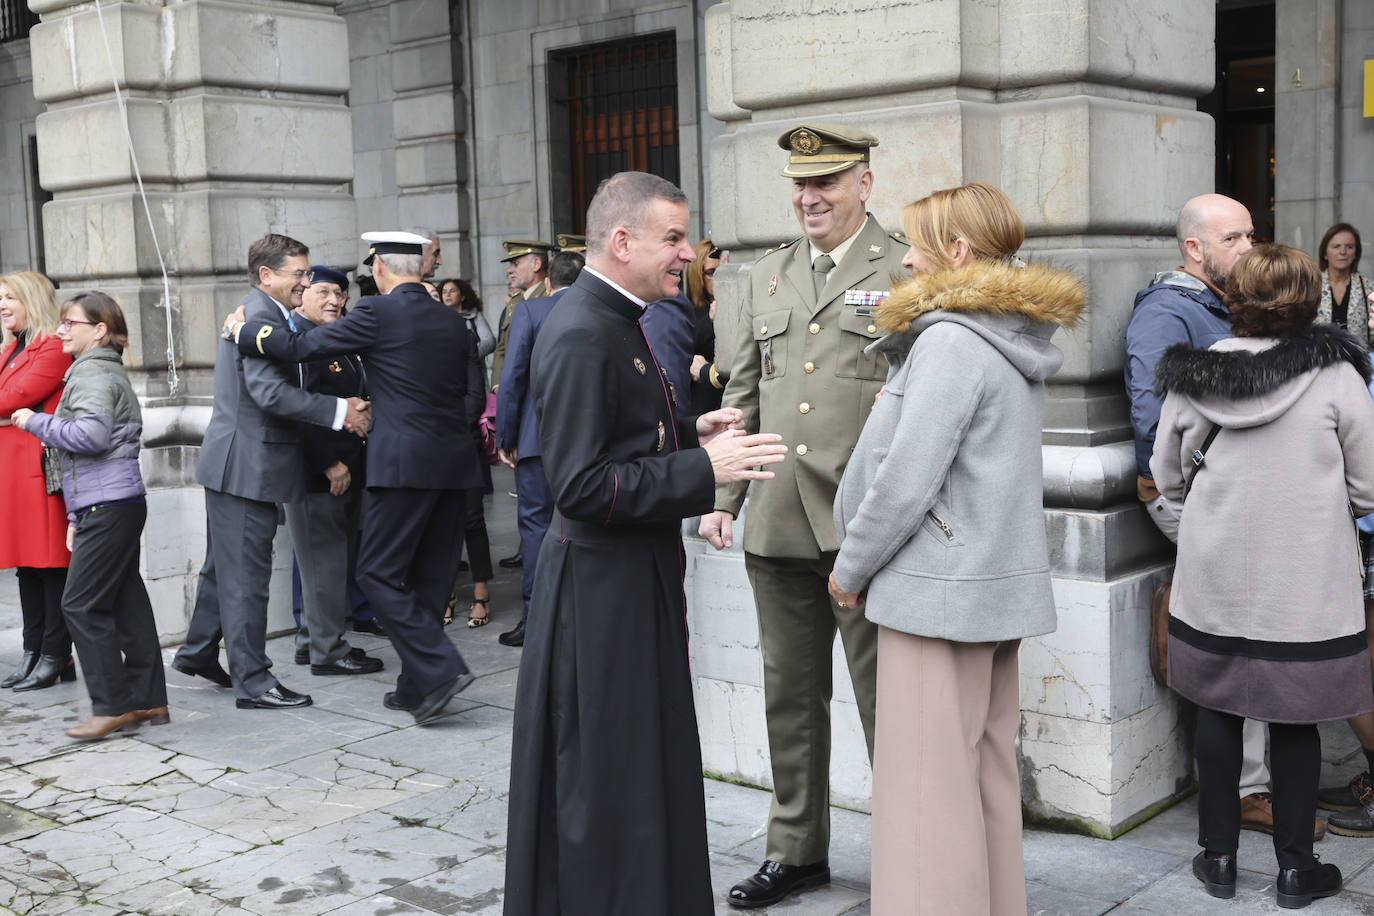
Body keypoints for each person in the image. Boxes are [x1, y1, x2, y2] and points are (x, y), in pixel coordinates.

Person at [502, 171, 788, 916]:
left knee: (641, 769)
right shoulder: (580, 330)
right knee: (609, 780)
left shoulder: (616, 318)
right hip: (600, 596)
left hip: (629, 583)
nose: (688, 254)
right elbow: (581, 486)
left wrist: (688, 435)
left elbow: (613, 438)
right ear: (622, 241)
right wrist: (703, 470)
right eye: (673, 239)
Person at [829, 182, 1082, 914]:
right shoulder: (1007, 334)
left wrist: (851, 569)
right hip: (983, 588)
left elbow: (906, 479)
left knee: (924, 794)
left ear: (958, 252)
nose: (906, 260)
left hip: (935, 592)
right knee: (984, 777)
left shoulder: (949, 340)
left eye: (917, 243)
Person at [700, 123, 908, 909]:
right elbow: (741, 397)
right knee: (789, 698)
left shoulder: (903, 267)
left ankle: (907, 852)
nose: (809, 198)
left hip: (865, 528)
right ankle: (796, 851)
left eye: (826, 183)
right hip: (780, 520)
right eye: (799, 184)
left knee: (889, 706)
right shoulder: (767, 276)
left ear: (865, 183)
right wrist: (726, 499)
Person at [1152, 244, 1374, 908]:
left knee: (1218, 709)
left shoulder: (1197, 375)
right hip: (1305, 585)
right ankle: (1295, 870)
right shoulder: (1337, 377)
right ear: (1308, 299)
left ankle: (1217, 857)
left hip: (1215, 575)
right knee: (1297, 720)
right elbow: (1369, 487)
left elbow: (1167, 476)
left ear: (1233, 298)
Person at [223, 230, 485, 724]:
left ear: (380, 267)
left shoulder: (377, 312)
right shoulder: (452, 321)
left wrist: (243, 332)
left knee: (377, 573)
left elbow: (300, 347)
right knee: (430, 577)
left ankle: (441, 667)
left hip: (402, 466)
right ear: (420, 267)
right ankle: (416, 686)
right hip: (454, 464)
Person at [1123, 194, 1316, 841]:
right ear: (1194, 250)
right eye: (1232, 238)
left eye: (1251, 235)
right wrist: (1216, 491)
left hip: (1246, 498)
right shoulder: (1166, 311)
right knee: (1244, 633)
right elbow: (1157, 428)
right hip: (1197, 498)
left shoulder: (1225, 306)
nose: (1247, 248)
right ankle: (1249, 791)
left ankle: (1252, 791)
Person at [173, 234, 370, 710]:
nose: (307, 281)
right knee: (246, 580)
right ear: (267, 275)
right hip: (248, 467)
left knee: (224, 570)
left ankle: (199, 651)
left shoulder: (263, 317)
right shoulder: (259, 315)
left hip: (240, 464)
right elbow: (269, 394)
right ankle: (255, 682)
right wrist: (341, 411)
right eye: (299, 274)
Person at [11, 291, 167, 738]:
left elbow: (92, 437)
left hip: (109, 503)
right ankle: (149, 701)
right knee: (126, 603)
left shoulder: (93, 373)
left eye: (69, 323)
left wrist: (33, 421)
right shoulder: (97, 370)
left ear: (98, 330)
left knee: (79, 603)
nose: (60, 330)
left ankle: (112, 705)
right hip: (112, 503)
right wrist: (77, 519)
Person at [282, 267, 382, 676]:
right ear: (302, 293)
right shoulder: (300, 343)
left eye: (339, 293)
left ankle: (313, 641)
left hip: (345, 468)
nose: (333, 300)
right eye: (323, 291)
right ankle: (328, 651)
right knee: (322, 562)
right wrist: (329, 463)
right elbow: (298, 410)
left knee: (325, 561)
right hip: (320, 473)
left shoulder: (330, 338)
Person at [494, 249, 584, 647]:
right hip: (588, 442)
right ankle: (577, 617)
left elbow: (512, 378)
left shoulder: (531, 312)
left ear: (548, 281)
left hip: (536, 441)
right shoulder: (597, 310)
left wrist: (506, 437)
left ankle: (535, 619)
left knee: (535, 530)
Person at [0, 271, 75, 692]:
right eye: (1, 297)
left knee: (50, 566)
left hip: (38, 472)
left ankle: (55, 653)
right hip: (13, 472)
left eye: (11, 296)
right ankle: (34, 652)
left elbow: (10, 399)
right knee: (26, 567)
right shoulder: (11, 348)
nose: (3, 304)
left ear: (33, 299)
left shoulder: (51, 349)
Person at [490, 239, 552, 394]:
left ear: (536, 264)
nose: (509, 270)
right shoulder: (516, 301)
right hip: (512, 390)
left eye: (515, 264)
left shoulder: (549, 297)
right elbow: (502, 347)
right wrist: (498, 384)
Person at [685, 239, 725, 415]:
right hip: (704, 404)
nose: (719, 278)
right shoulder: (685, 311)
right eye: (711, 272)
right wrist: (710, 321)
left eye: (722, 270)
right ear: (698, 275)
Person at [1315, 222, 1368, 346]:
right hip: (1319, 360)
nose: (1343, 252)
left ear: (1356, 253)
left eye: (1349, 247)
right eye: (1336, 246)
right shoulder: (1311, 286)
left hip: (1357, 361)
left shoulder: (1369, 288)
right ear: (1325, 254)